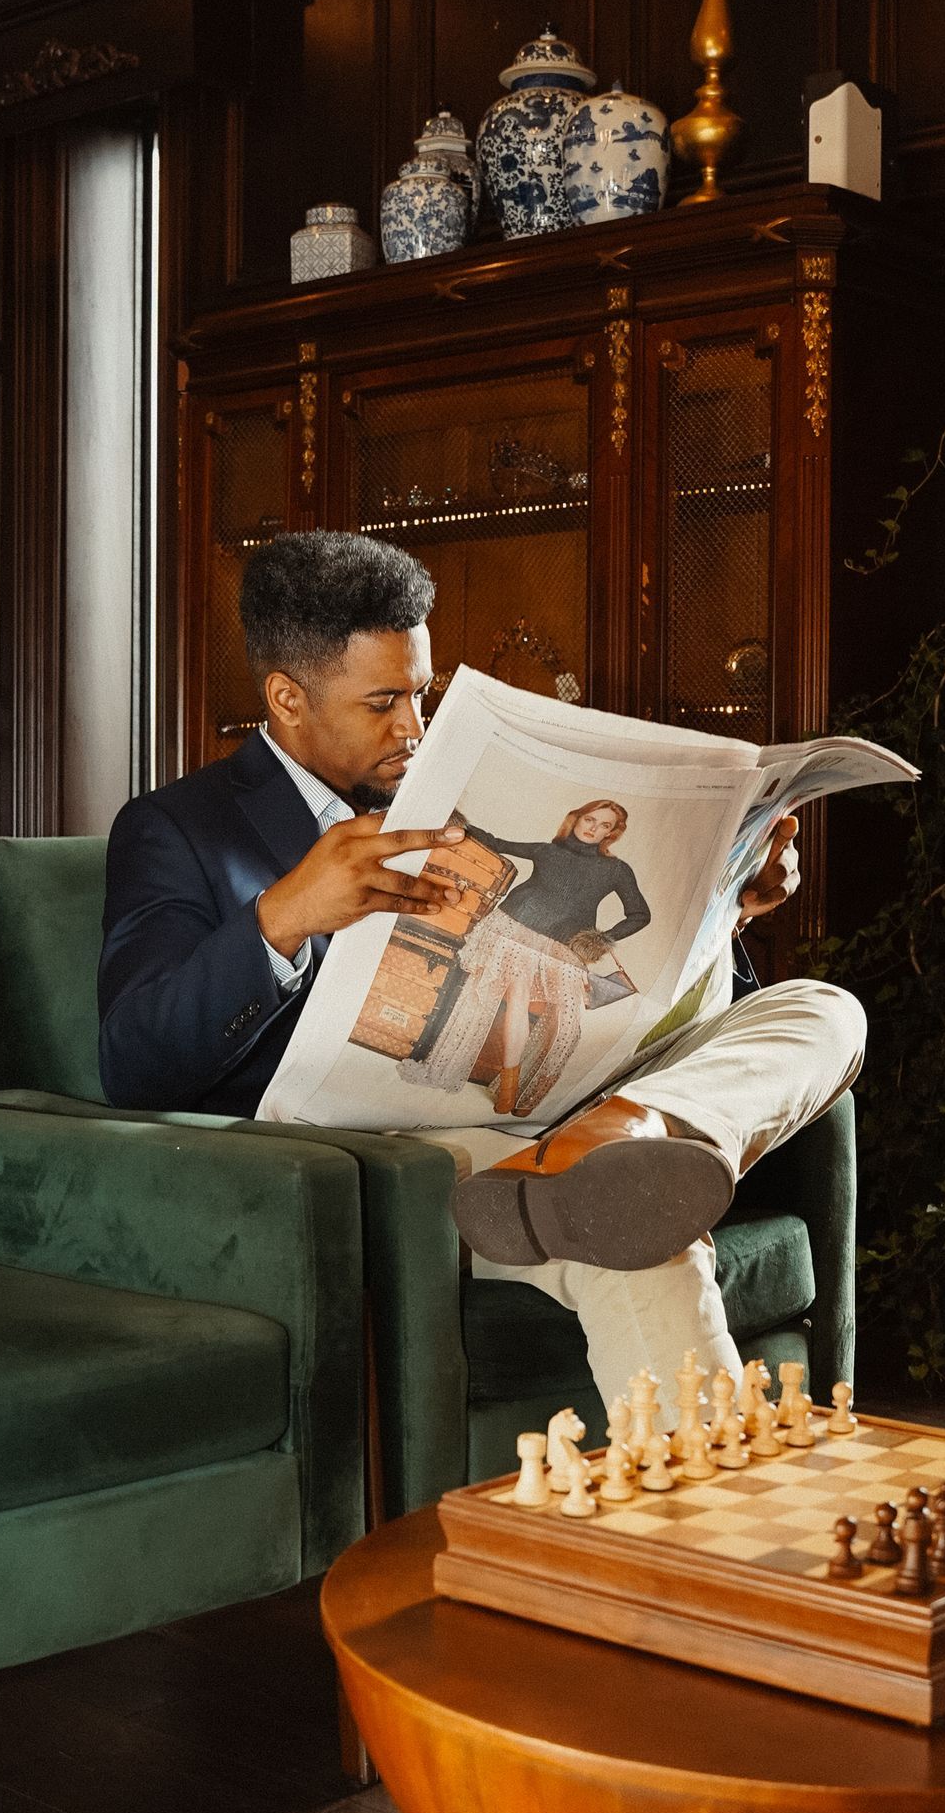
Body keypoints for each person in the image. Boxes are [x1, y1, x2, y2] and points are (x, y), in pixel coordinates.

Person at [98, 532, 865, 1421]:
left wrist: (727, 907)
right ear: (287, 699)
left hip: (563, 1097)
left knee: (825, 1011)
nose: (414, 729)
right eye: (383, 702)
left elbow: (622, 970)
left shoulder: (469, 794)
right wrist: (286, 915)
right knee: (633, 1223)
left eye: (422, 694)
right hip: (394, 1157)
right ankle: (707, 1533)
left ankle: (636, 1128)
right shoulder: (177, 829)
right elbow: (133, 1062)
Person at [420, 797, 650, 1114]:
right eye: (590, 820)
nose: (594, 828)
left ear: (610, 834)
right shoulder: (548, 850)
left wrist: (599, 940)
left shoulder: (616, 870)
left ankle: (529, 1093)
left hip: (562, 944)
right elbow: (495, 843)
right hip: (514, 927)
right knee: (517, 997)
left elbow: (640, 914)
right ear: (577, 818)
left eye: (604, 825)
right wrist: (452, 819)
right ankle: (509, 1091)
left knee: (567, 1025)